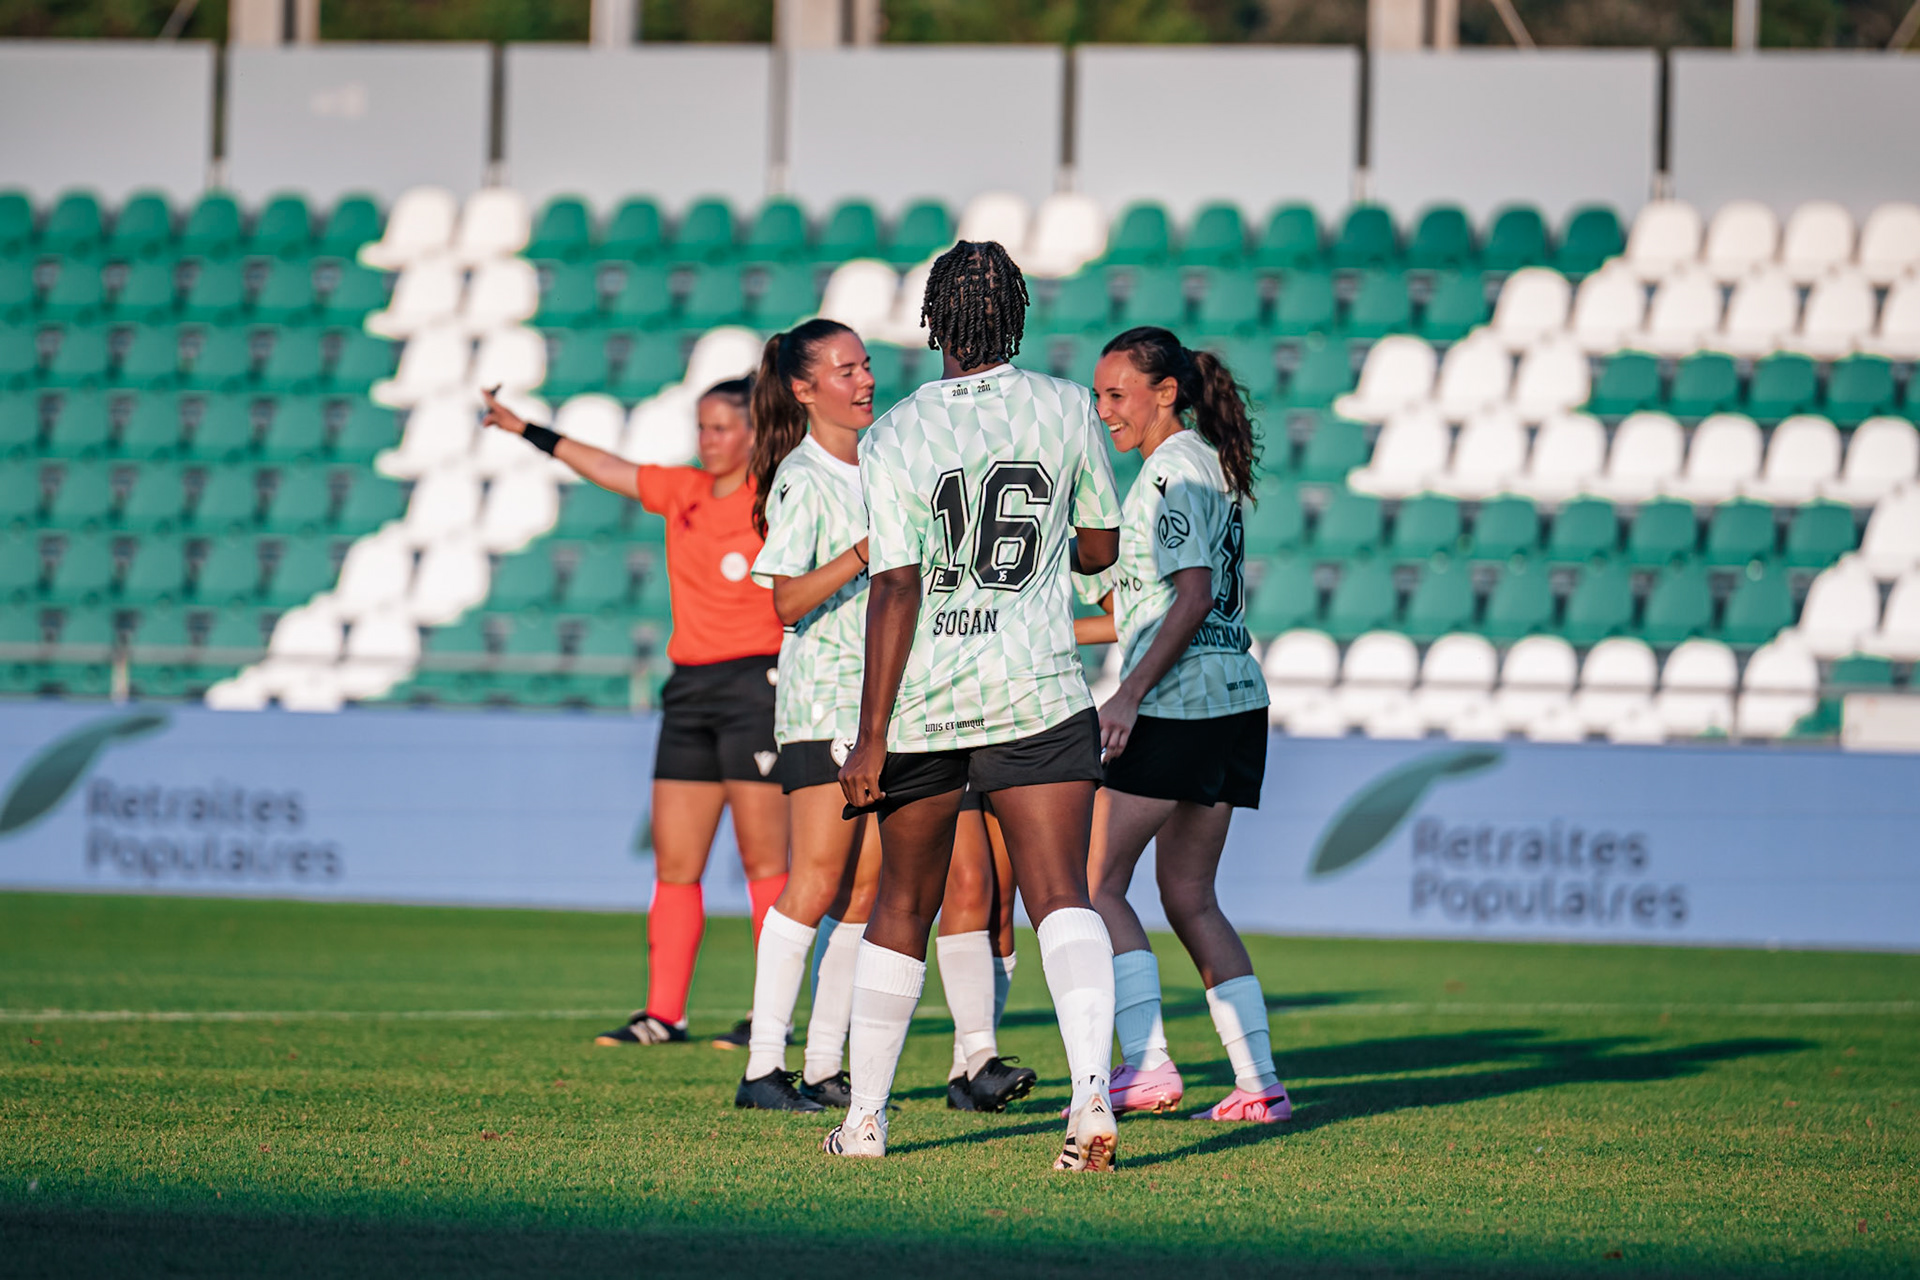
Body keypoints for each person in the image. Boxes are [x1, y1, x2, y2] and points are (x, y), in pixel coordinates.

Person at [827, 240, 1124, 1171]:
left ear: (933, 322)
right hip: (1036, 688)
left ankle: (867, 1122)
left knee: (903, 906)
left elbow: (897, 585)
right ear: (1020, 320)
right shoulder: (1070, 406)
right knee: (1061, 895)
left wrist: (869, 737)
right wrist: (1046, 559)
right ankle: (1087, 1103)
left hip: (926, 703)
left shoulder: (896, 432)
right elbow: (1101, 545)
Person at [741, 318, 1034, 1114]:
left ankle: (824, 1064)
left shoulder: (884, 459)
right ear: (804, 390)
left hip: (889, 707)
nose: (865, 380)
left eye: (867, 365)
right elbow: (786, 601)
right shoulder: (803, 475)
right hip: (824, 701)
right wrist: (868, 552)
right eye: (845, 371)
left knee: (869, 891)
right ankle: (763, 1066)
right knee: (817, 881)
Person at [479, 380, 790, 1048]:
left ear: (754, 433)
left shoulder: (776, 497)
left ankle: (773, 1016)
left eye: (721, 428)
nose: (708, 440)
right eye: (702, 427)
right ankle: (663, 1014)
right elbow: (607, 468)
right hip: (690, 691)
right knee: (676, 864)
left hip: (758, 688)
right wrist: (527, 430)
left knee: (768, 863)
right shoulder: (682, 492)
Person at [1074, 327, 1291, 1124]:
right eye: (1098, 396)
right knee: (1189, 895)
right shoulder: (1206, 465)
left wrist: (1127, 695)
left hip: (1180, 701)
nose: (1104, 411)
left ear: (1165, 391)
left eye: (1117, 394)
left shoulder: (1168, 474)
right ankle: (1258, 1082)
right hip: (1234, 699)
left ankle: (1150, 1065)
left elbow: (1191, 596)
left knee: (1093, 884)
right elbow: (1146, 606)